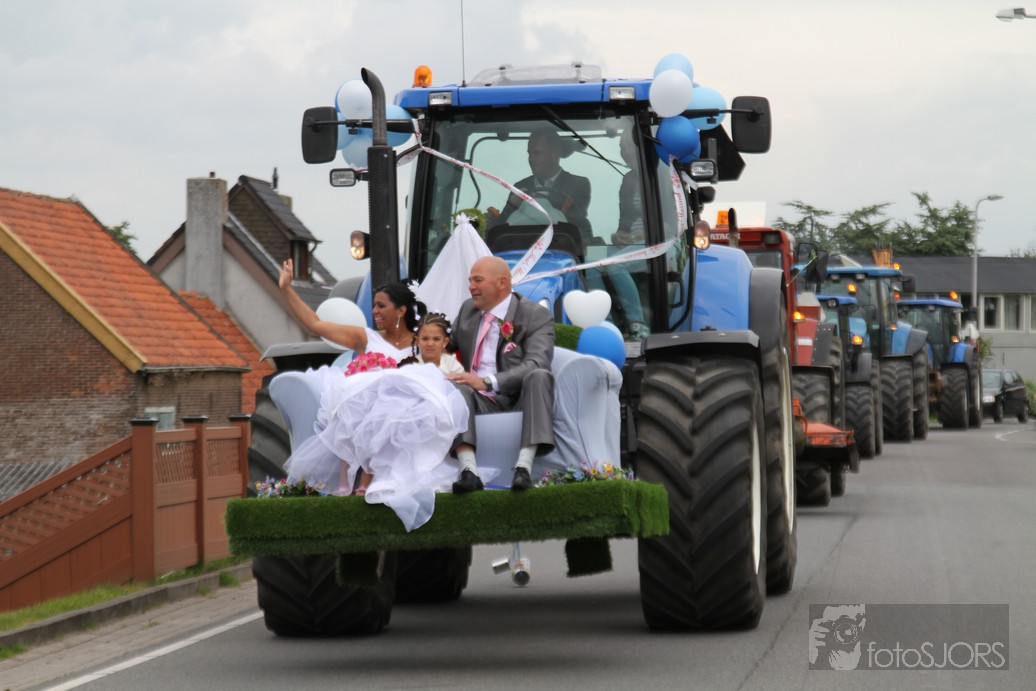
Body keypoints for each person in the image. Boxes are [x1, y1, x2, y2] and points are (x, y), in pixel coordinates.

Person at [277, 259, 470, 531]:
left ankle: (381, 479)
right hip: (364, 407)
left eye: (381, 306)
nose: (375, 311)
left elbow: (441, 371)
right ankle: (352, 480)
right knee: (358, 399)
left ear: (401, 310)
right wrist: (287, 288)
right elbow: (315, 325)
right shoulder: (365, 338)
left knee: (396, 404)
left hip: (408, 416)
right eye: (375, 305)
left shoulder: (423, 341)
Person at [446, 256, 556, 493]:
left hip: (517, 398)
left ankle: (523, 468)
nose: (471, 287)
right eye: (470, 281)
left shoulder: (535, 315)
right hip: (477, 399)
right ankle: (468, 471)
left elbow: (538, 361)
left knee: (539, 375)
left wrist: (487, 382)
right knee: (457, 386)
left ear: (502, 283)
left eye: (477, 280)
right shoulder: (468, 310)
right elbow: (445, 343)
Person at [585, 127, 649, 340]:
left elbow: (668, 226)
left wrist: (637, 237)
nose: (624, 152)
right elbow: (624, 223)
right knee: (591, 260)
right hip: (633, 243)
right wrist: (618, 236)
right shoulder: (628, 180)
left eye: (628, 147)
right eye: (621, 148)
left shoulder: (660, 176)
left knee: (615, 264)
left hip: (659, 243)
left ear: (640, 147)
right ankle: (606, 324)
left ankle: (638, 325)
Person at [488, 126, 593, 246]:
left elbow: (576, 216)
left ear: (555, 154)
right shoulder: (520, 186)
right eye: (530, 153)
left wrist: (533, 200)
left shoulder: (578, 184)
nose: (531, 159)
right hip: (522, 249)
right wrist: (510, 207)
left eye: (537, 153)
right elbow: (504, 224)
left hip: (565, 248)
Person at [398, 312, 465, 375]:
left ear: (445, 342)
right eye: (425, 339)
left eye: (436, 339)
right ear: (417, 341)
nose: (430, 344)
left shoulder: (452, 364)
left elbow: (461, 382)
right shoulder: (410, 364)